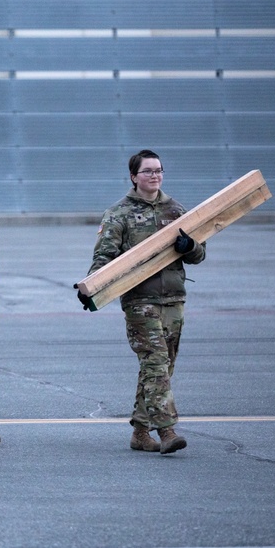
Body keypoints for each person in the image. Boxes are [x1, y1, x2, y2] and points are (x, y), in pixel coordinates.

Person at [80, 149, 205, 455]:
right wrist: (91, 288)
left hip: (174, 300)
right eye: (148, 171)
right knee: (155, 364)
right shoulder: (118, 214)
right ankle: (167, 431)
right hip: (140, 302)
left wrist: (190, 246)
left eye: (159, 170)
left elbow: (200, 254)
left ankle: (139, 431)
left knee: (161, 368)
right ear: (134, 177)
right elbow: (103, 257)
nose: (155, 176)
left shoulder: (178, 211)